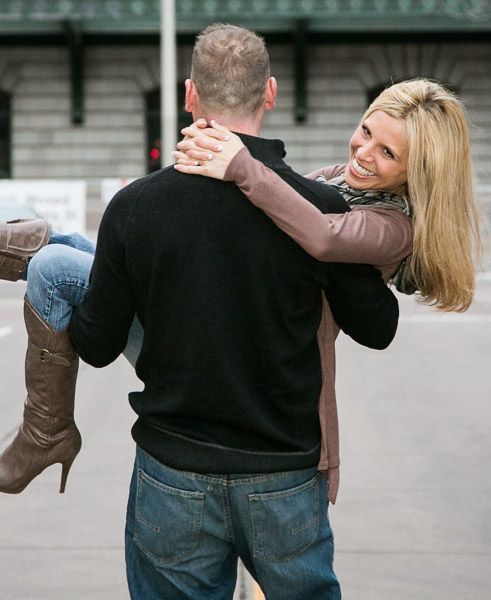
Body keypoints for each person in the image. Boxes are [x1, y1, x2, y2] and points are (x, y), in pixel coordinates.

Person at [67, 24, 397, 597]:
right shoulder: (319, 208)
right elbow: (378, 328)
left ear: (191, 96)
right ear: (269, 93)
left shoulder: (133, 208)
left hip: (171, 470)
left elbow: (96, 347)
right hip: (284, 476)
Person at [171, 77, 482, 502]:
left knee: (68, 271)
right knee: (74, 259)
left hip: (285, 377)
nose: (364, 154)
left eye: (388, 153)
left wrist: (241, 163)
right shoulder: (339, 180)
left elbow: (323, 236)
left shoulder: (394, 227)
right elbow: (270, 209)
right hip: (245, 344)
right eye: (367, 131)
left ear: (417, 173)